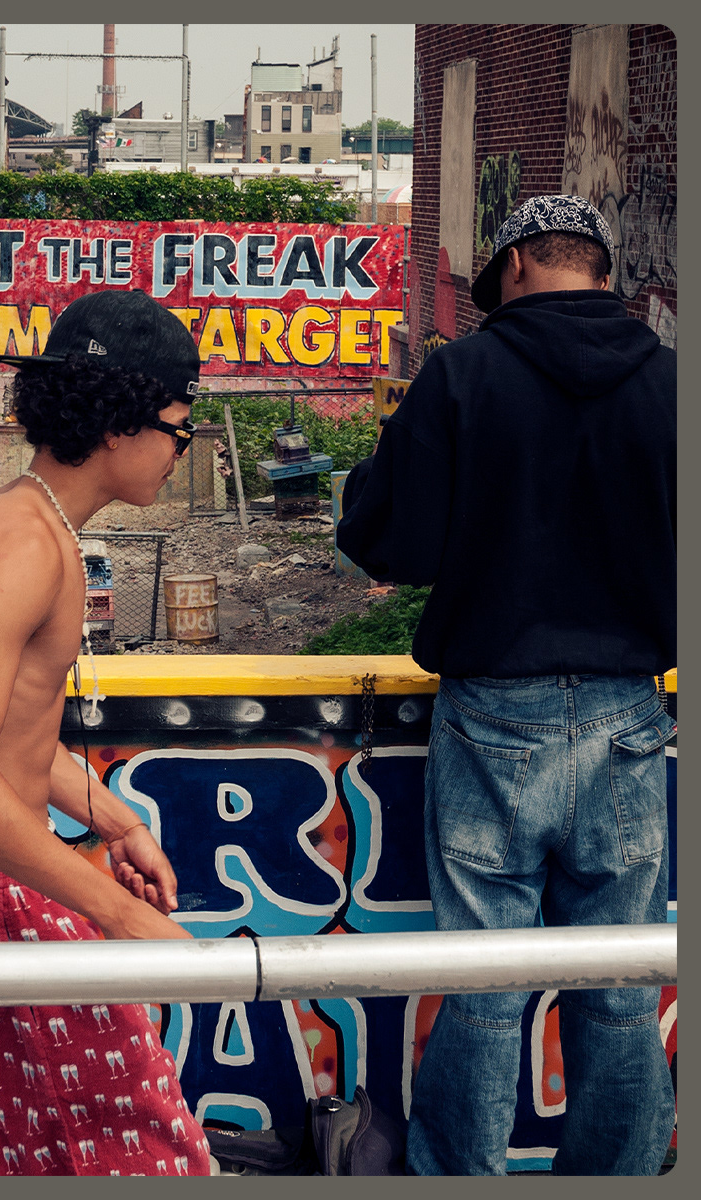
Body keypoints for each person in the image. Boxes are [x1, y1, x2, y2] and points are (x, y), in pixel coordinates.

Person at [336, 194, 676, 1175]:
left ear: (517, 265)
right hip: (629, 710)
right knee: (620, 984)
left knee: (486, 981)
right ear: (601, 272)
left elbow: (387, 541)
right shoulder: (672, 383)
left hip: (494, 711)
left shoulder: (462, 375)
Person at [0, 289, 213, 1177]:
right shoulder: (23, 544)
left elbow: (1, 737)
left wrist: (118, 822)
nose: (180, 453)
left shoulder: (26, 525)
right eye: (178, 431)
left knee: (8, 1164)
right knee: (143, 1157)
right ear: (120, 424)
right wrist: (119, 916)